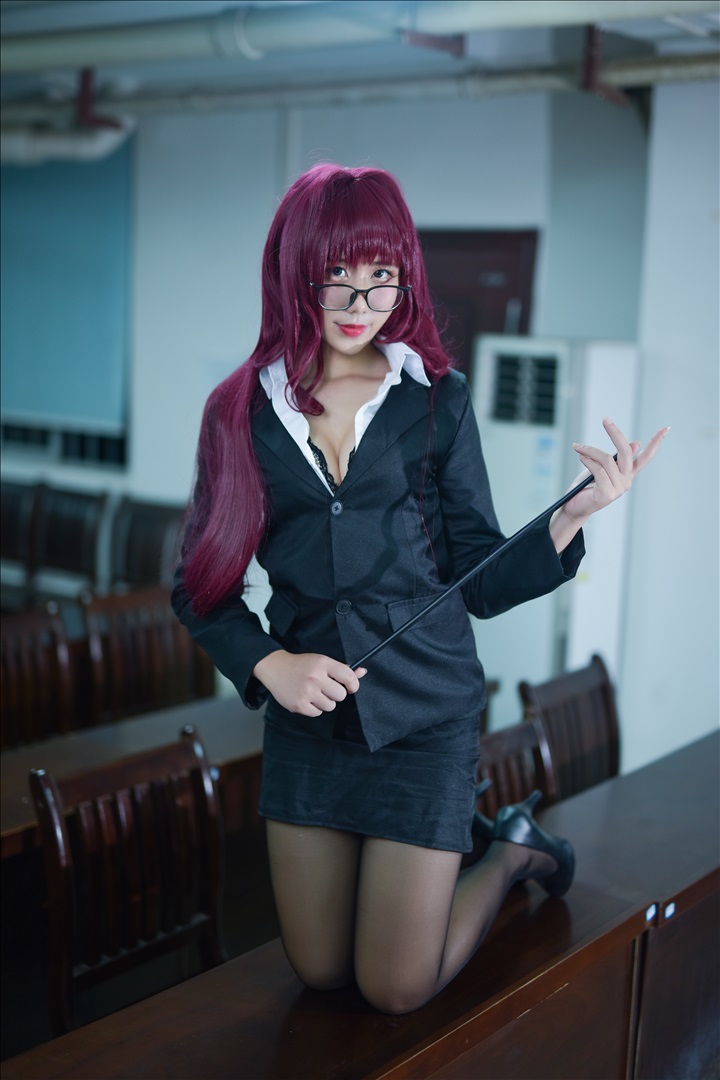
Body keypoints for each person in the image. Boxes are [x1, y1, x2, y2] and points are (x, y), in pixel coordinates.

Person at [172, 163, 667, 1015]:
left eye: (382, 275)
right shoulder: (239, 412)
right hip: (310, 723)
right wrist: (270, 665)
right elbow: (197, 587)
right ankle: (475, 850)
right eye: (338, 274)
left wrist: (571, 517)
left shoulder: (436, 399)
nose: (360, 301)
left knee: (395, 986)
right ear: (296, 269)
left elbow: (478, 575)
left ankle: (509, 850)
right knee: (320, 970)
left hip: (425, 714)